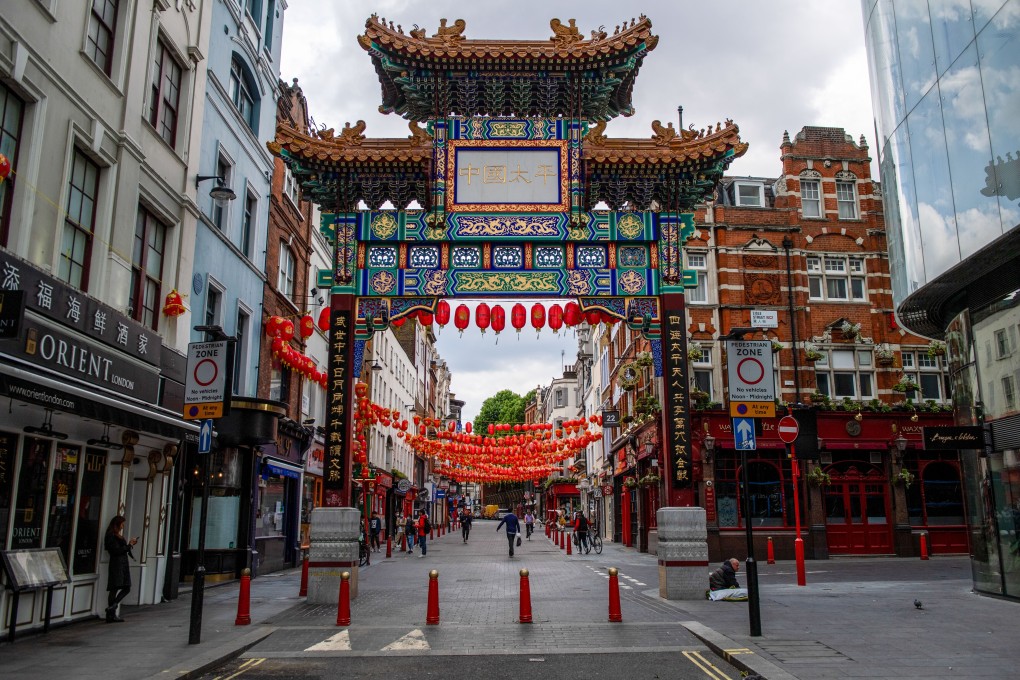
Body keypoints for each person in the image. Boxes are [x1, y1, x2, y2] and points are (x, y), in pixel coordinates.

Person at [104, 515, 136, 623]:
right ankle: (111, 612)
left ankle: (112, 609)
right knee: (116, 587)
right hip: (117, 564)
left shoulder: (115, 535)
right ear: (117, 524)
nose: (123, 526)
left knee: (121, 587)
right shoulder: (111, 536)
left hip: (121, 563)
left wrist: (129, 545)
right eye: (122, 524)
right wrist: (129, 545)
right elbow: (116, 551)